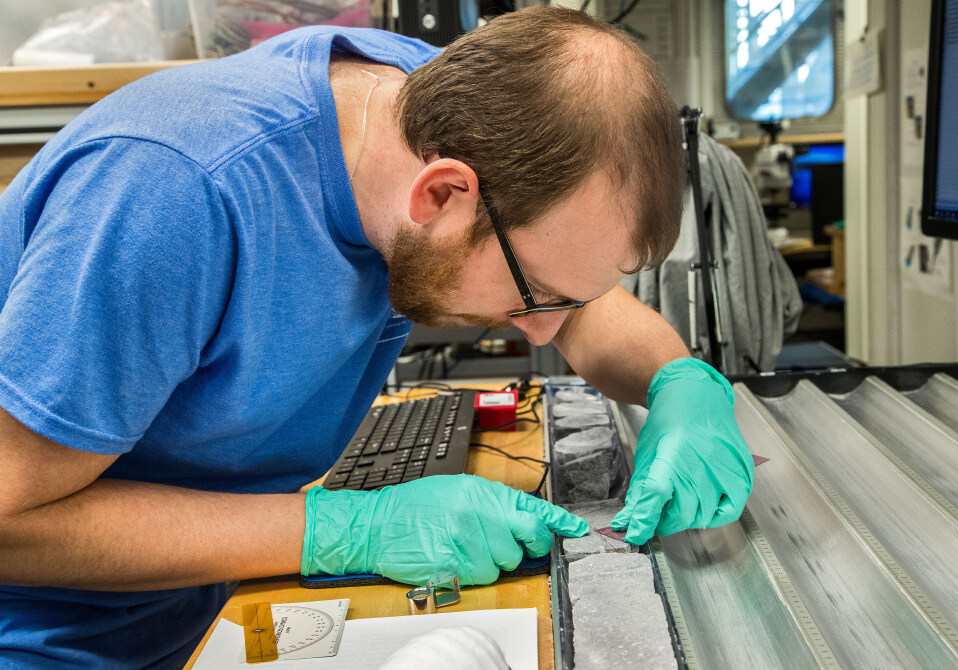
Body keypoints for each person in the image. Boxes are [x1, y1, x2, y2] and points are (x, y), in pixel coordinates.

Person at [0, 6, 753, 668]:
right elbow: (9, 520)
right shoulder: (176, 195)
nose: (554, 331)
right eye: (537, 300)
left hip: (214, 590)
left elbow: (572, 292)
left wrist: (678, 381)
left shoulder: (438, 107)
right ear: (442, 194)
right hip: (55, 634)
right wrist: (344, 531)